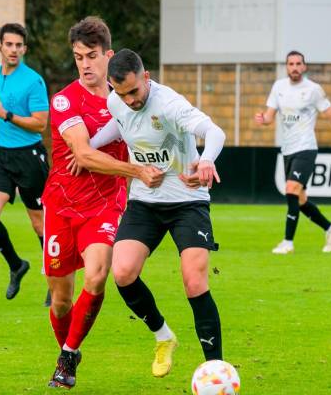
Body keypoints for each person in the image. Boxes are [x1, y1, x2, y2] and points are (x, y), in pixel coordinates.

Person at [86, 48, 227, 377]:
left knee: (194, 281)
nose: (131, 100)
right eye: (122, 93)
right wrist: (88, 147)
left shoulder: (169, 103)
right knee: (122, 272)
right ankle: (164, 336)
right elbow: (119, 126)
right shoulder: (116, 101)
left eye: (135, 91)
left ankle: (215, 369)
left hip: (188, 200)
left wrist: (206, 160)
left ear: (146, 76)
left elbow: (215, 132)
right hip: (145, 202)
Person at [42, 17, 164, 389]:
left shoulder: (126, 97)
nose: (85, 64)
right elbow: (83, 153)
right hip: (61, 204)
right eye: (78, 56)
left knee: (97, 274)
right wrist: (135, 170)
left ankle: (69, 356)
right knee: (61, 301)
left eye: (92, 56)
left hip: (105, 205)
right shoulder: (64, 99)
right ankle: (66, 346)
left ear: (108, 55)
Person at [255, 50, 331, 254]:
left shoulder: (313, 90)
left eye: (299, 63)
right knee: (300, 200)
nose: (295, 67)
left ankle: (288, 242)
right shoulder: (278, 87)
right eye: (291, 64)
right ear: (286, 67)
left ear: (304, 67)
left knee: (290, 190)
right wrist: (263, 119)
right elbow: (270, 116)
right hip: (287, 150)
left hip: (306, 148)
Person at [0, 23, 50, 302]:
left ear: (25, 49)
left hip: (30, 157)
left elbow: (40, 124)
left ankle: (55, 281)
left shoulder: (33, 81)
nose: (14, 50)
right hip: (1, 156)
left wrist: (7, 116)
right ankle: (16, 265)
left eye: (19, 46)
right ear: (0, 47)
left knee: (40, 225)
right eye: (9, 45)